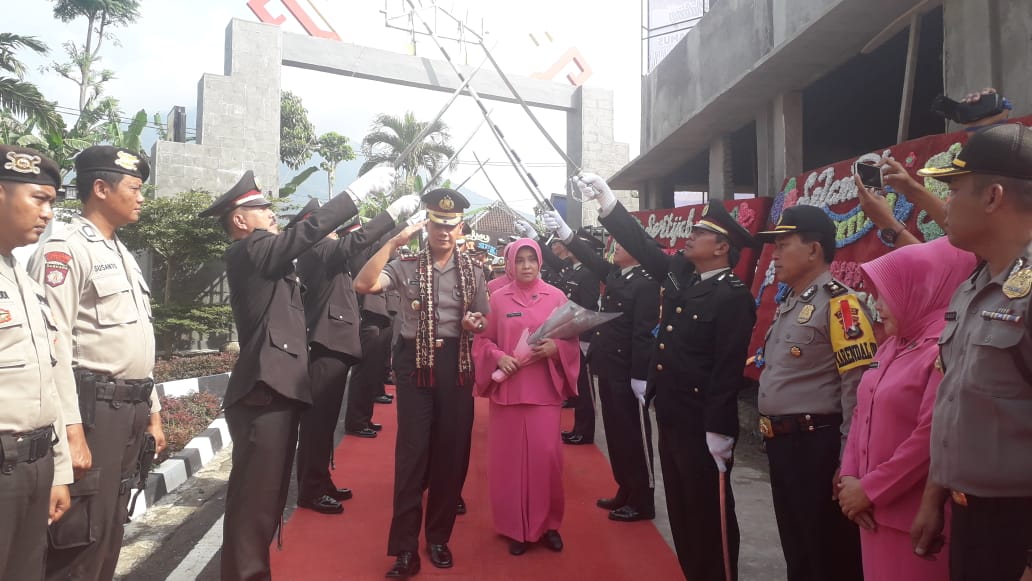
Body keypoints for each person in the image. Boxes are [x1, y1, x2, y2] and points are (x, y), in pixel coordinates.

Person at [199, 166, 394, 580]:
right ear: (239, 220)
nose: (271, 213)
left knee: (266, 502)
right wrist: (355, 195)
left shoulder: (268, 258)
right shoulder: (249, 251)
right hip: (264, 390)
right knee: (255, 505)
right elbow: (304, 236)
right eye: (260, 208)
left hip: (279, 389)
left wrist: (387, 220)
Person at [574, 174, 757, 579]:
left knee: (710, 514)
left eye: (700, 233)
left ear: (723, 247)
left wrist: (721, 429)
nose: (689, 237)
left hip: (701, 422)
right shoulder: (683, 277)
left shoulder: (732, 296)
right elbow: (642, 247)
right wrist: (607, 201)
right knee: (682, 511)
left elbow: (728, 369)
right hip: (672, 413)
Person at [28, 145, 166, 581]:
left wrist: (155, 412)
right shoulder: (65, 249)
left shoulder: (124, 254)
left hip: (130, 409)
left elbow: (139, 340)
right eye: (134, 187)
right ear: (101, 189)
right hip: (93, 413)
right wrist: (69, 432)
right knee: (79, 536)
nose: (141, 197)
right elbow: (52, 349)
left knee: (109, 527)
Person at [909, 123, 1032, 581]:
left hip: (1018, 528)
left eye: (954, 189)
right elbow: (958, 405)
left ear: (993, 197)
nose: (947, 206)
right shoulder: (973, 288)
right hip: (970, 516)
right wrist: (933, 498)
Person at [354, 188, 488, 579]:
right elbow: (364, 284)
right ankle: (404, 550)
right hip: (415, 363)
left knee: (452, 451)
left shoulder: (475, 270)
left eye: (450, 225)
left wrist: (474, 323)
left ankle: (439, 537)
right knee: (412, 454)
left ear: (460, 226)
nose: (443, 232)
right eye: (436, 224)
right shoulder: (406, 263)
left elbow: (485, 318)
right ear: (425, 225)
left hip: (456, 364)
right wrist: (393, 242)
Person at [746, 203, 877, 581]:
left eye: (783, 245)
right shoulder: (792, 301)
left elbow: (858, 389)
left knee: (827, 554)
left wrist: (848, 458)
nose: (774, 254)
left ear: (813, 249)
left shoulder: (842, 304)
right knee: (798, 549)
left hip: (818, 447)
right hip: (784, 445)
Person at [838, 237, 976, 580]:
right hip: (868, 512)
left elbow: (930, 436)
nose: (879, 305)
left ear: (920, 290)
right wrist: (849, 479)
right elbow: (860, 411)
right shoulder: (892, 346)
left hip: (911, 518)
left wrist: (869, 490)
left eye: (889, 293)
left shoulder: (942, 348)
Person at [291, 194, 418, 515]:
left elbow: (360, 251)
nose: (334, 227)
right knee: (318, 425)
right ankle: (310, 489)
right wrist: (393, 218)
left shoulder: (326, 252)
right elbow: (359, 241)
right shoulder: (316, 250)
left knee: (325, 420)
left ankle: (320, 480)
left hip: (335, 344)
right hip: (325, 345)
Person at [541, 209, 661, 524]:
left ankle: (643, 498)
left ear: (638, 250)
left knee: (635, 436)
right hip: (608, 366)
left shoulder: (646, 283)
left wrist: (639, 376)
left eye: (622, 243)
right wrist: (567, 234)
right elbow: (591, 260)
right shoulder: (619, 275)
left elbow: (644, 333)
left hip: (628, 372)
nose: (615, 246)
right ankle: (626, 487)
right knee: (618, 434)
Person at [472, 238, 580, 555]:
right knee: (509, 465)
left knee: (547, 461)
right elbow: (482, 341)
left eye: (532, 259)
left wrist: (556, 349)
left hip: (543, 392)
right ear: (510, 264)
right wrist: (497, 357)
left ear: (541, 261)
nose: (527, 266)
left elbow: (571, 340)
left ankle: (548, 525)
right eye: (520, 260)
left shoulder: (556, 297)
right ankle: (515, 528)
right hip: (507, 393)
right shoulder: (498, 299)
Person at [0, 145, 72, 581]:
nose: (47, 213)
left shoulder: (24, 281)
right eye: (38, 199)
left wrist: (58, 468)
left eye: (52, 202)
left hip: (34, 465)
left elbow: (50, 381)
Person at [517, 220, 600, 446]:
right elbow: (552, 262)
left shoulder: (589, 274)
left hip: (581, 337)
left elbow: (589, 306)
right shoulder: (570, 269)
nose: (569, 248)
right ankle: (578, 427)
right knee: (574, 384)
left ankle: (585, 430)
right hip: (565, 333)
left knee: (584, 388)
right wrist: (534, 237)